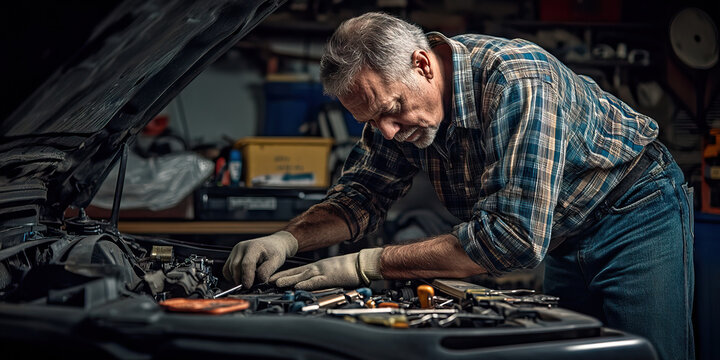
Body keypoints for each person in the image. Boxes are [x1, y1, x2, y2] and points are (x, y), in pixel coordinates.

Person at [223, 12, 694, 360]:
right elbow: (359, 197)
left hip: (635, 212)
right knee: (576, 353)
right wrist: (287, 238)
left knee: (646, 352)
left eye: (390, 110)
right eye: (370, 120)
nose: (386, 131)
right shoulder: (400, 113)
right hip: (564, 232)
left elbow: (511, 239)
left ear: (423, 65)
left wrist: (369, 264)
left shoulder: (517, 81)